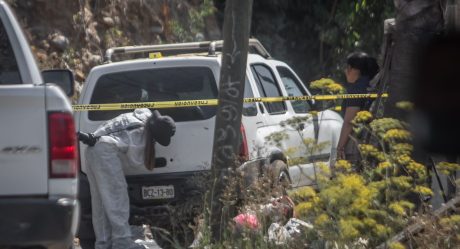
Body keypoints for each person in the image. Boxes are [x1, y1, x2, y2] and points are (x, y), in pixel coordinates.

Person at [78, 108, 176, 249]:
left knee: (100, 202)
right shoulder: (138, 131)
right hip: (105, 151)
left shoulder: (139, 117)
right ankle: (122, 242)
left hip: (92, 150)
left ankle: (103, 243)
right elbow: (134, 160)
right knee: (117, 198)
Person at [336, 52, 379, 161]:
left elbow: (349, 122)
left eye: (347, 68)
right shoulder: (371, 85)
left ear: (352, 69)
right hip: (371, 142)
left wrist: (340, 147)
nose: (346, 71)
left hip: (355, 144)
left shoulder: (356, 89)